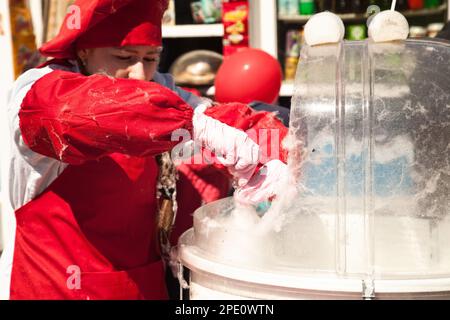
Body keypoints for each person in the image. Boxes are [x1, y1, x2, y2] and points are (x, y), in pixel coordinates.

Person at [0, 0, 288, 300]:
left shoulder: (161, 90)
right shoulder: (39, 91)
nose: (139, 73)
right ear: (83, 51)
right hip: (55, 286)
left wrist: (277, 154)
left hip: (138, 283)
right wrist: (191, 126)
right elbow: (74, 112)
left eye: (151, 58)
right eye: (123, 56)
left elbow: (230, 120)